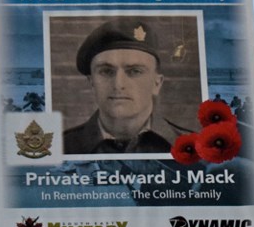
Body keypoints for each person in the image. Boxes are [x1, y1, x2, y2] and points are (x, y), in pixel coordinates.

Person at [63, 19, 189, 154]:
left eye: (135, 71)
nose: (119, 84)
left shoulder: (193, 147)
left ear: (156, 83)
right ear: (92, 82)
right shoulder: (61, 148)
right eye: (106, 71)